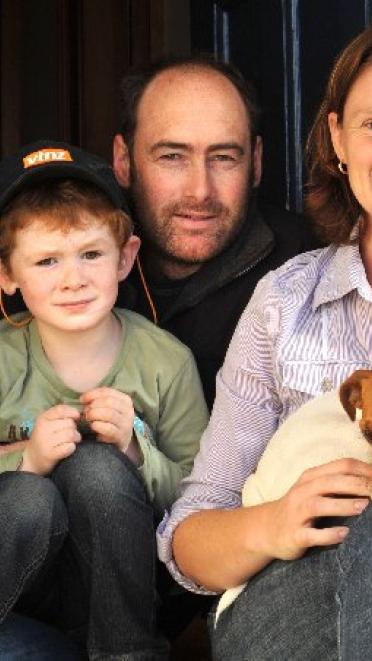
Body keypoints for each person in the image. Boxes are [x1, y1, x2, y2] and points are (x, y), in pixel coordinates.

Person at [158, 13, 372, 660]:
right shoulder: (286, 302)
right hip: (296, 598)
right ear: (338, 138)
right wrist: (273, 523)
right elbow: (188, 541)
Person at [0, 140, 208, 660]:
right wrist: (28, 461)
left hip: (118, 592)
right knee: (28, 497)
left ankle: (128, 653)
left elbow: (201, 494)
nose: (73, 279)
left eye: (91, 253)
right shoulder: (3, 358)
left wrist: (136, 451)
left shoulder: (166, 361)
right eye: (46, 260)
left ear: (125, 257)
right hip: (19, 605)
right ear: (8, 275)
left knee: (98, 467)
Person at [113, 54, 317, 409]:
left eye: (223, 158)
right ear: (123, 160)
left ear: (255, 162)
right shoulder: (72, 260)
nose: (200, 191)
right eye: (172, 157)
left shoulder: (309, 267)